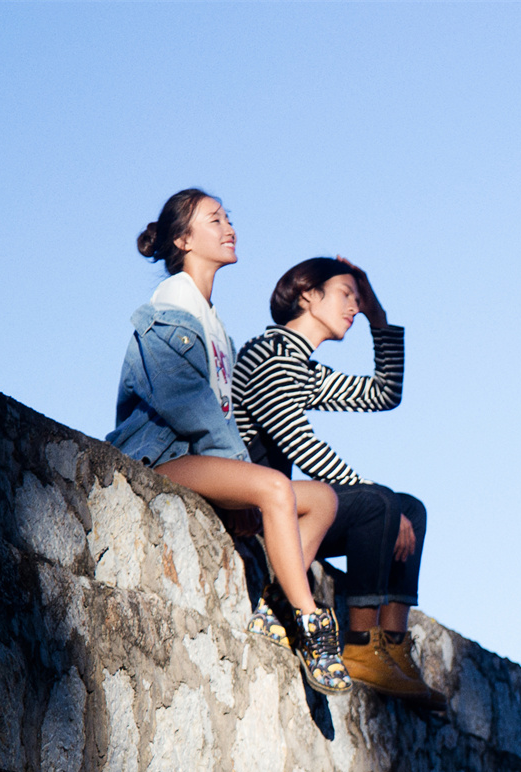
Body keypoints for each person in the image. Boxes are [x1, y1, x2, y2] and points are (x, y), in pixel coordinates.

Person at [106, 189, 351, 697]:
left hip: (206, 460)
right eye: (214, 220)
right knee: (274, 488)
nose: (229, 228)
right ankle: (310, 623)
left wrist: (239, 481)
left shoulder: (213, 321)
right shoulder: (170, 308)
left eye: (228, 218)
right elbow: (190, 409)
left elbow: (223, 414)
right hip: (164, 458)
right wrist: (242, 482)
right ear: (183, 239)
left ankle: (276, 607)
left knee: (323, 499)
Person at [233, 256, 436, 701]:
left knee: (411, 508)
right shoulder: (270, 355)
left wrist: (378, 318)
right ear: (308, 296)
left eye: (358, 299)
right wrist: (379, 498)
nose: (354, 306)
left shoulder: (302, 367)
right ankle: (360, 646)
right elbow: (301, 446)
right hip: (257, 512)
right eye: (346, 294)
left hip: (291, 512)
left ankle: (392, 648)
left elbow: (384, 393)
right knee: (380, 503)